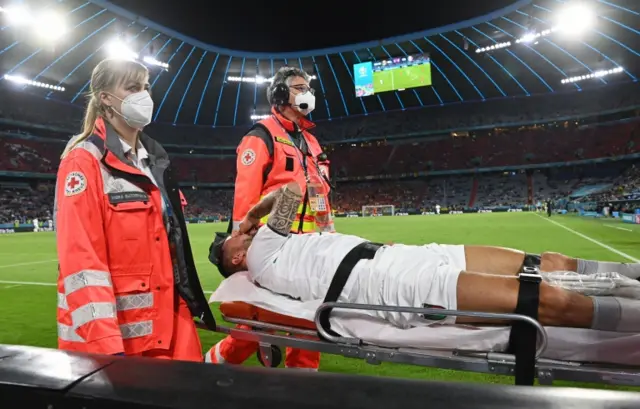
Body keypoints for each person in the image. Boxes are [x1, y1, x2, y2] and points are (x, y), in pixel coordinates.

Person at [209, 182, 640, 333]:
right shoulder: (261, 254)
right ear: (235, 261)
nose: (237, 234)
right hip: (397, 286)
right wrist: (250, 219)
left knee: (547, 262)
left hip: (404, 258)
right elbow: (290, 192)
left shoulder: (276, 248)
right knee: (548, 300)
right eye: (230, 241)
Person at [54, 59, 213, 360]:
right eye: (132, 87)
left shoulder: (156, 161)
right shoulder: (85, 161)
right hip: (120, 342)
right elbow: (82, 262)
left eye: (146, 88)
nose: (144, 96)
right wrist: (106, 349)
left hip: (170, 328)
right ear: (105, 98)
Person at [205, 66, 334, 370]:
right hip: (274, 247)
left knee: (307, 320)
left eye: (308, 87)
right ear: (279, 94)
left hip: (311, 246)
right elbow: (245, 200)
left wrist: (328, 235)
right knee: (258, 323)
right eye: (299, 88)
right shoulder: (261, 136)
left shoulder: (312, 142)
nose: (308, 93)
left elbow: (321, 193)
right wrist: (244, 249)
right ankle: (210, 366)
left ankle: (300, 387)